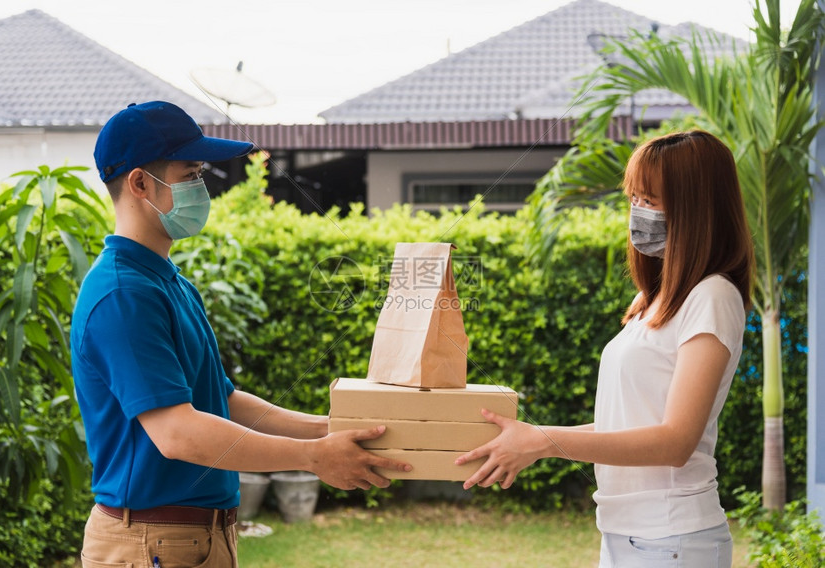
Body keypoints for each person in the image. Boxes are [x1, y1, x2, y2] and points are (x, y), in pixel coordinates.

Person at [72, 101, 411, 568]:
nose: (201, 188)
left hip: (191, 539)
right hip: (151, 542)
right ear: (139, 183)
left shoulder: (166, 281)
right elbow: (176, 433)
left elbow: (221, 402)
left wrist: (330, 429)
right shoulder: (123, 294)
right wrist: (312, 457)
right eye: (190, 173)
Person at [456, 130, 754, 567]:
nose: (639, 212)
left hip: (671, 538)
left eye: (652, 200)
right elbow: (627, 423)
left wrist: (544, 441)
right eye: (635, 198)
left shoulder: (712, 298)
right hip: (627, 535)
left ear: (696, 210)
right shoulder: (656, 300)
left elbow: (675, 441)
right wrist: (532, 440)